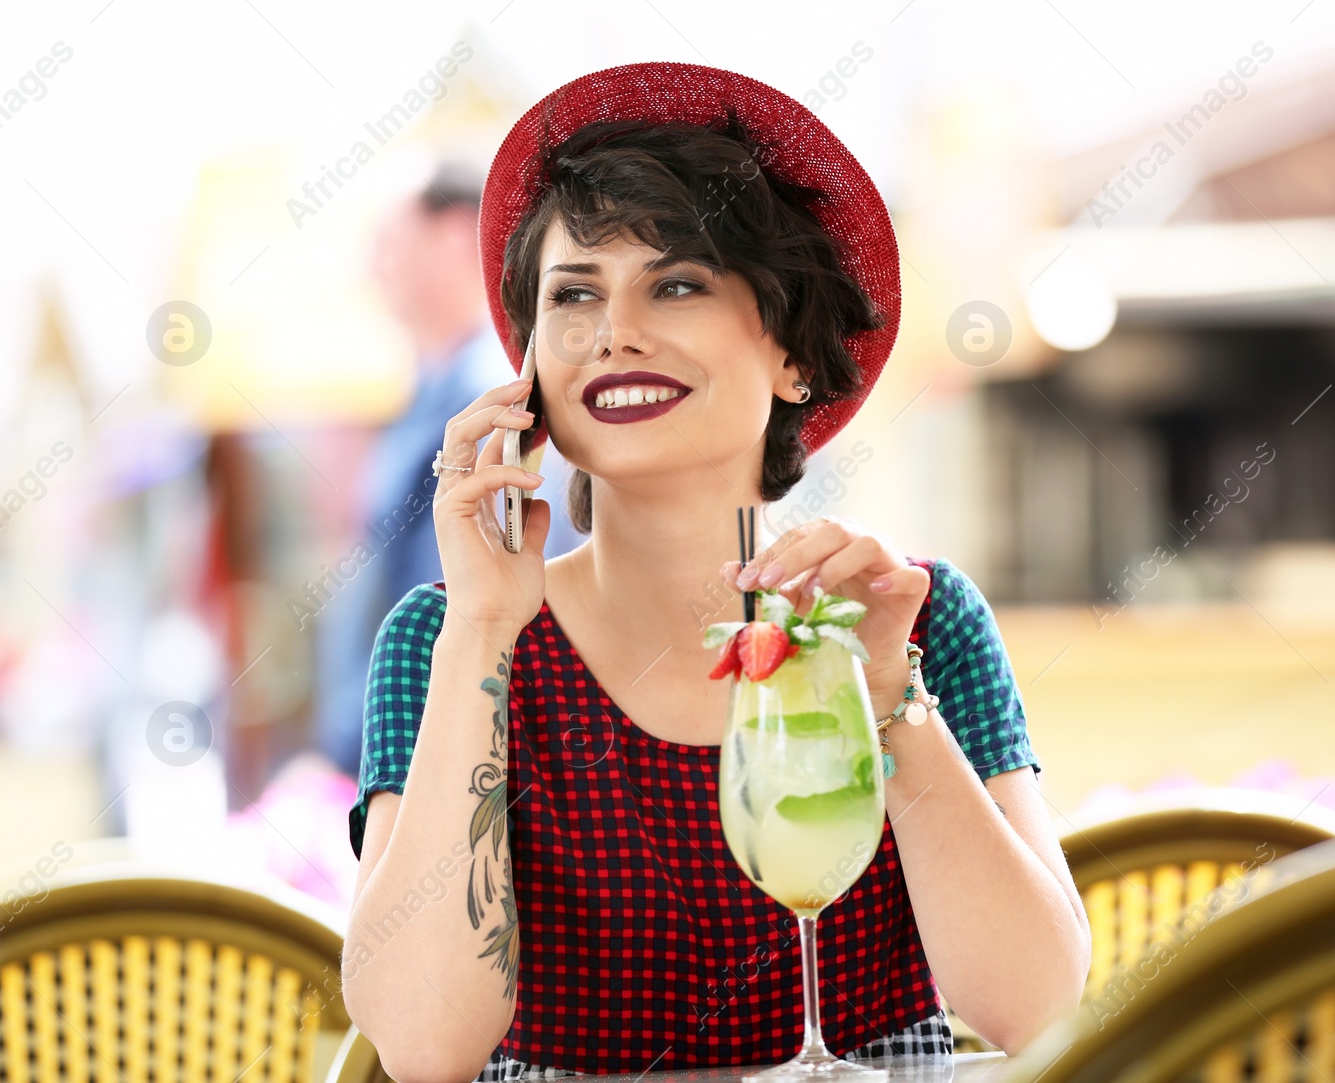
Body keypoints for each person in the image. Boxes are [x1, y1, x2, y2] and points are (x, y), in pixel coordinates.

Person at [341, 64, 1091, 1082]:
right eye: (573, 295)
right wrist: (481, 625)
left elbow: (1036, 1008)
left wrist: (890, 697)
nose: (615, 331)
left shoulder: (912, 615)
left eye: (679, 282)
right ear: (529, 373)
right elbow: (426, 1049)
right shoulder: (447, 637)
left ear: (792, 354)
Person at [312, 161, 585, 779]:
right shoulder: (425, 394)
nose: (372, 268)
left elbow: (464, 590)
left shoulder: (490, 398)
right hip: (396, 736)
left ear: (456, 237)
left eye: (388, 244)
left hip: (443, 740)